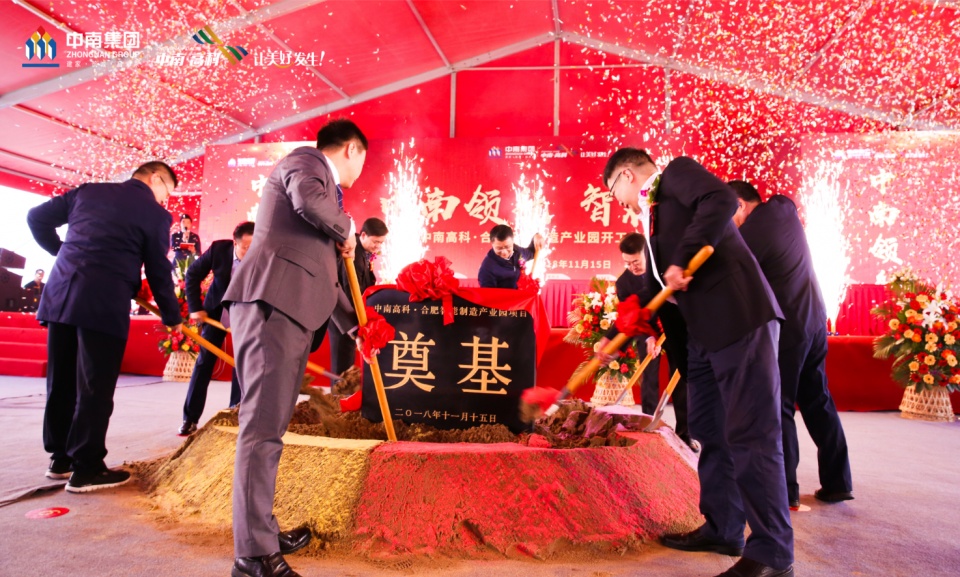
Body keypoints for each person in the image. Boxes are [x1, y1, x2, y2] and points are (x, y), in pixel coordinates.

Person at [604, 148, 794, 577]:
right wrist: (623, 329)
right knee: (709, 429)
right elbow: (661, 290)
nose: (620, 203)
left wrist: (682, 257)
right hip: (703, 338)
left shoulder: (677, 174)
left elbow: (721, 199)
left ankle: (773, 554)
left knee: (751, 433)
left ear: (627, 175)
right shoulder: (653, 217)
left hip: (739, 318)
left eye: (616, 193)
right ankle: (723, 526)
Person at [222, 119, 366, 577]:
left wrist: (356, 327)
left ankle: (261, 531)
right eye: (363, 159)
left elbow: (320, 274)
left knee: (271, 428)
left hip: (288, 311)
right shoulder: (307, 163)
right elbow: (306, 199)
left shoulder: (323, 199)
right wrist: (347, 229)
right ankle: (253, 555)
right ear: (352, 149)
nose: (360, 169)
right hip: (272, 308)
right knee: (261, 430)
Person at [27, 161, 182, 493]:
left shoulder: (89, 191)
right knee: (94, 387)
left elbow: (36, 218)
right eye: (166, 191)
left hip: (61, 294)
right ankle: (87, 468)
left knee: (62, 380)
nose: (165, 199)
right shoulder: (155, 215)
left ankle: (60, 459)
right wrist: (172, 316)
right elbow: (158, 270)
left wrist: (64, 253)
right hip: (102, 301)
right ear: (156, 178)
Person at [730, 179, 853, 509]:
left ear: (740, 204)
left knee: (779, 404)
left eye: (729, 214)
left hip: (790, 328)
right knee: (818, 398)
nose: (730, 224)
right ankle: (838, 483)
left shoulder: (753, 230)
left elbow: (730, 272)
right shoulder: (783, 209)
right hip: (815, 320)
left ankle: (786, 490)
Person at [605, 232, 692, 447]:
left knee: (680, 379)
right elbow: (632, 315)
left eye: (635, 261)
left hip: (674, 327)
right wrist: (648, 337)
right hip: (647, 330)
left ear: (646, 253)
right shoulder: (624, 283)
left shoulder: (662, 269)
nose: (632, 267)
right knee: (649, 379)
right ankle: (647, 428)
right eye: (627, 263)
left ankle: (684, 434)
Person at [178, 221, 254, 436]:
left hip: (246, 315)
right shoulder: (219, 249)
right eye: (246, 248)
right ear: (235, 243)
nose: (251, 252)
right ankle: (189, 418)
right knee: (204, 363)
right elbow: (192, 274)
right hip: (216, 314)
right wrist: (195, 308)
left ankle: (236, 413)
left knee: (242, 364)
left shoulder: (263, 255)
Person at [328, 217, 388, 374]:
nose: (378, 246)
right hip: (344, 315)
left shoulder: (363, 252)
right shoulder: (353, 254)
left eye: (381, 243)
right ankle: (340, 389)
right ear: (363, 235)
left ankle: (343, 388)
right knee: (342, 362)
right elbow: (351, 291)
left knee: (346, 359)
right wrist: (359, 322)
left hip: (351, 315)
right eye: (375, 241)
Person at [477, 224, 544, 289]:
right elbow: (488, 295)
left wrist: (536, 238)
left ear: (512, 242)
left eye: (507, 247)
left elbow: (532, 252)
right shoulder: (486, 268)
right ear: (492, 244)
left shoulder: (516, 251)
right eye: (499, 248)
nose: (504, 252)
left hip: (521, 295)